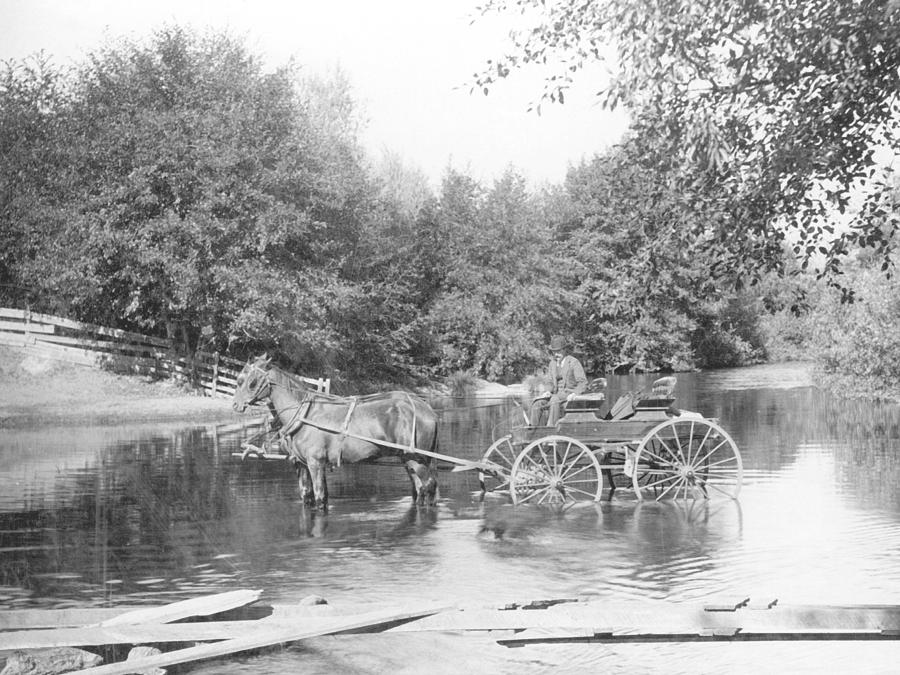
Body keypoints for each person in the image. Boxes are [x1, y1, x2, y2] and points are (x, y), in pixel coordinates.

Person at [530, 335, 587, 426]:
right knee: (537, 403)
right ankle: (532, 431)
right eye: (554, 352)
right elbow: (549, 382)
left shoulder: (573, 362)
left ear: (564, 350)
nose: (556, 354)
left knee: (554, 400)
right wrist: (548, 391)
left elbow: (583, 383)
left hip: (568, 395)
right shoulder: (552, 364)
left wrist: (574, 394)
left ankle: (552, 429)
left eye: (559, 351)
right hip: (555, 395)